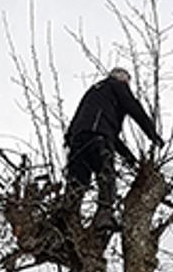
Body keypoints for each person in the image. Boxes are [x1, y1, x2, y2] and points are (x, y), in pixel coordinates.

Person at [65, 67, 163, 229]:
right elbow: (133, 107)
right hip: (98, 138)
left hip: (78, 140)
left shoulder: (95, 92)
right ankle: (104, 215)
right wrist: (152, 134)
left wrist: (129, 157)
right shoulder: (116, 86)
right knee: (106, 176)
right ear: (122, 79)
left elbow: (111, 136)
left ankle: (69, 219)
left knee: (77, 183)